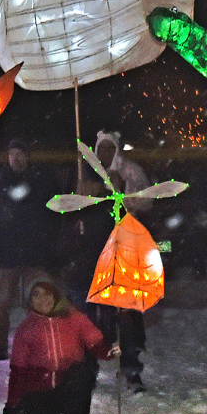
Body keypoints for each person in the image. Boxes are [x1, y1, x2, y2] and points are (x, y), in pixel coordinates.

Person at [0, 279, 117, 414]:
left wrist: (112, 349)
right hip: (41, 388)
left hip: (69, 385)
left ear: (56, 295)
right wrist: (11, 407)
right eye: (36, 294)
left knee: (83, 371)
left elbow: (97, 345)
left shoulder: (75, 318)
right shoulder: (26, 329)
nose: (43, 299)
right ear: (29, 300)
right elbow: (18, 372)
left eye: (47, 293)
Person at [84, 130, 153, 392]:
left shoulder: (129, 171)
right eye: (101, 148)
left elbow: (146, 203)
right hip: (94, 248)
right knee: (95, 314)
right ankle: (90, 368)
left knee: (128, 311)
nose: (105, 153)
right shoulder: (87, 172)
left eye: (110, 148)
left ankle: (131, 369)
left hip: (125, 245)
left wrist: (123, 194)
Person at [0, 139, 59, 360]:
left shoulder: (37, 180)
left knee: (37, 300)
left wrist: (44, 236)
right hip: (8, 253)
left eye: (19, 153)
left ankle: (38, 346)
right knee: (4, 301)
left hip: (33, 250)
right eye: (11, 154)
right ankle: (0, 349)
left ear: (27, 156)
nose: (15, 158)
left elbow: (47, 211)